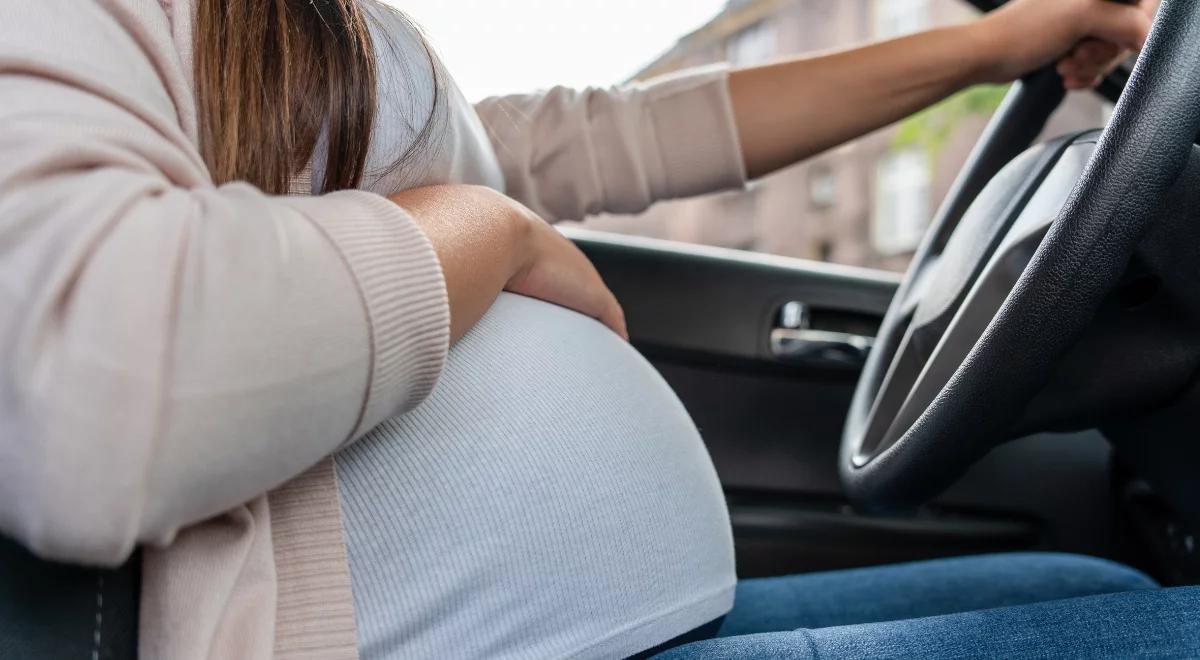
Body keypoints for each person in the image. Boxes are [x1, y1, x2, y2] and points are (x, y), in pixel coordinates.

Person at [1, 0, 1187, 658]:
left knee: (1089, 579)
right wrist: (485, 228)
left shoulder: (308, 41)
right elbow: (89, 398)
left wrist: (992, 46)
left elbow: (618, 134)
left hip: (606, 629)